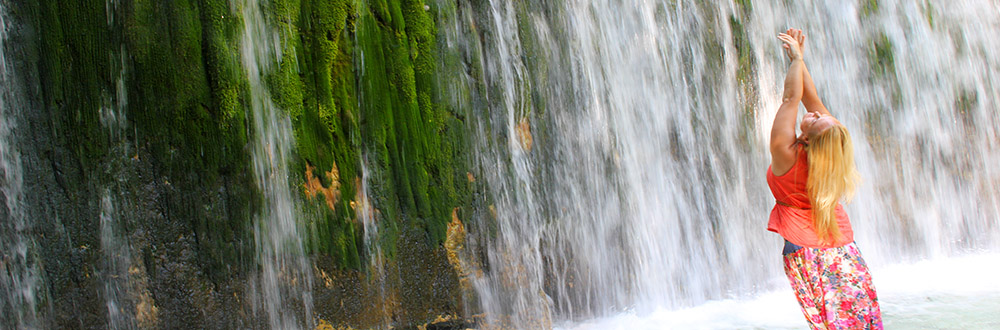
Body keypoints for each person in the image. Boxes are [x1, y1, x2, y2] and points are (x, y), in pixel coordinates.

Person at [767, 28, 883, 329]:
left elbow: (792, 98)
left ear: (806, 138)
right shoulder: (832, 149)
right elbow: (811, 99)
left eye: (817, 119)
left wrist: (796, 61)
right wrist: (799, 61)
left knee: (826, 318)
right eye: (819, 115)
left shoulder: (786, 154)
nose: (816, 113)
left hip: (805, 247)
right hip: (839, 241)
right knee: (854, 316)